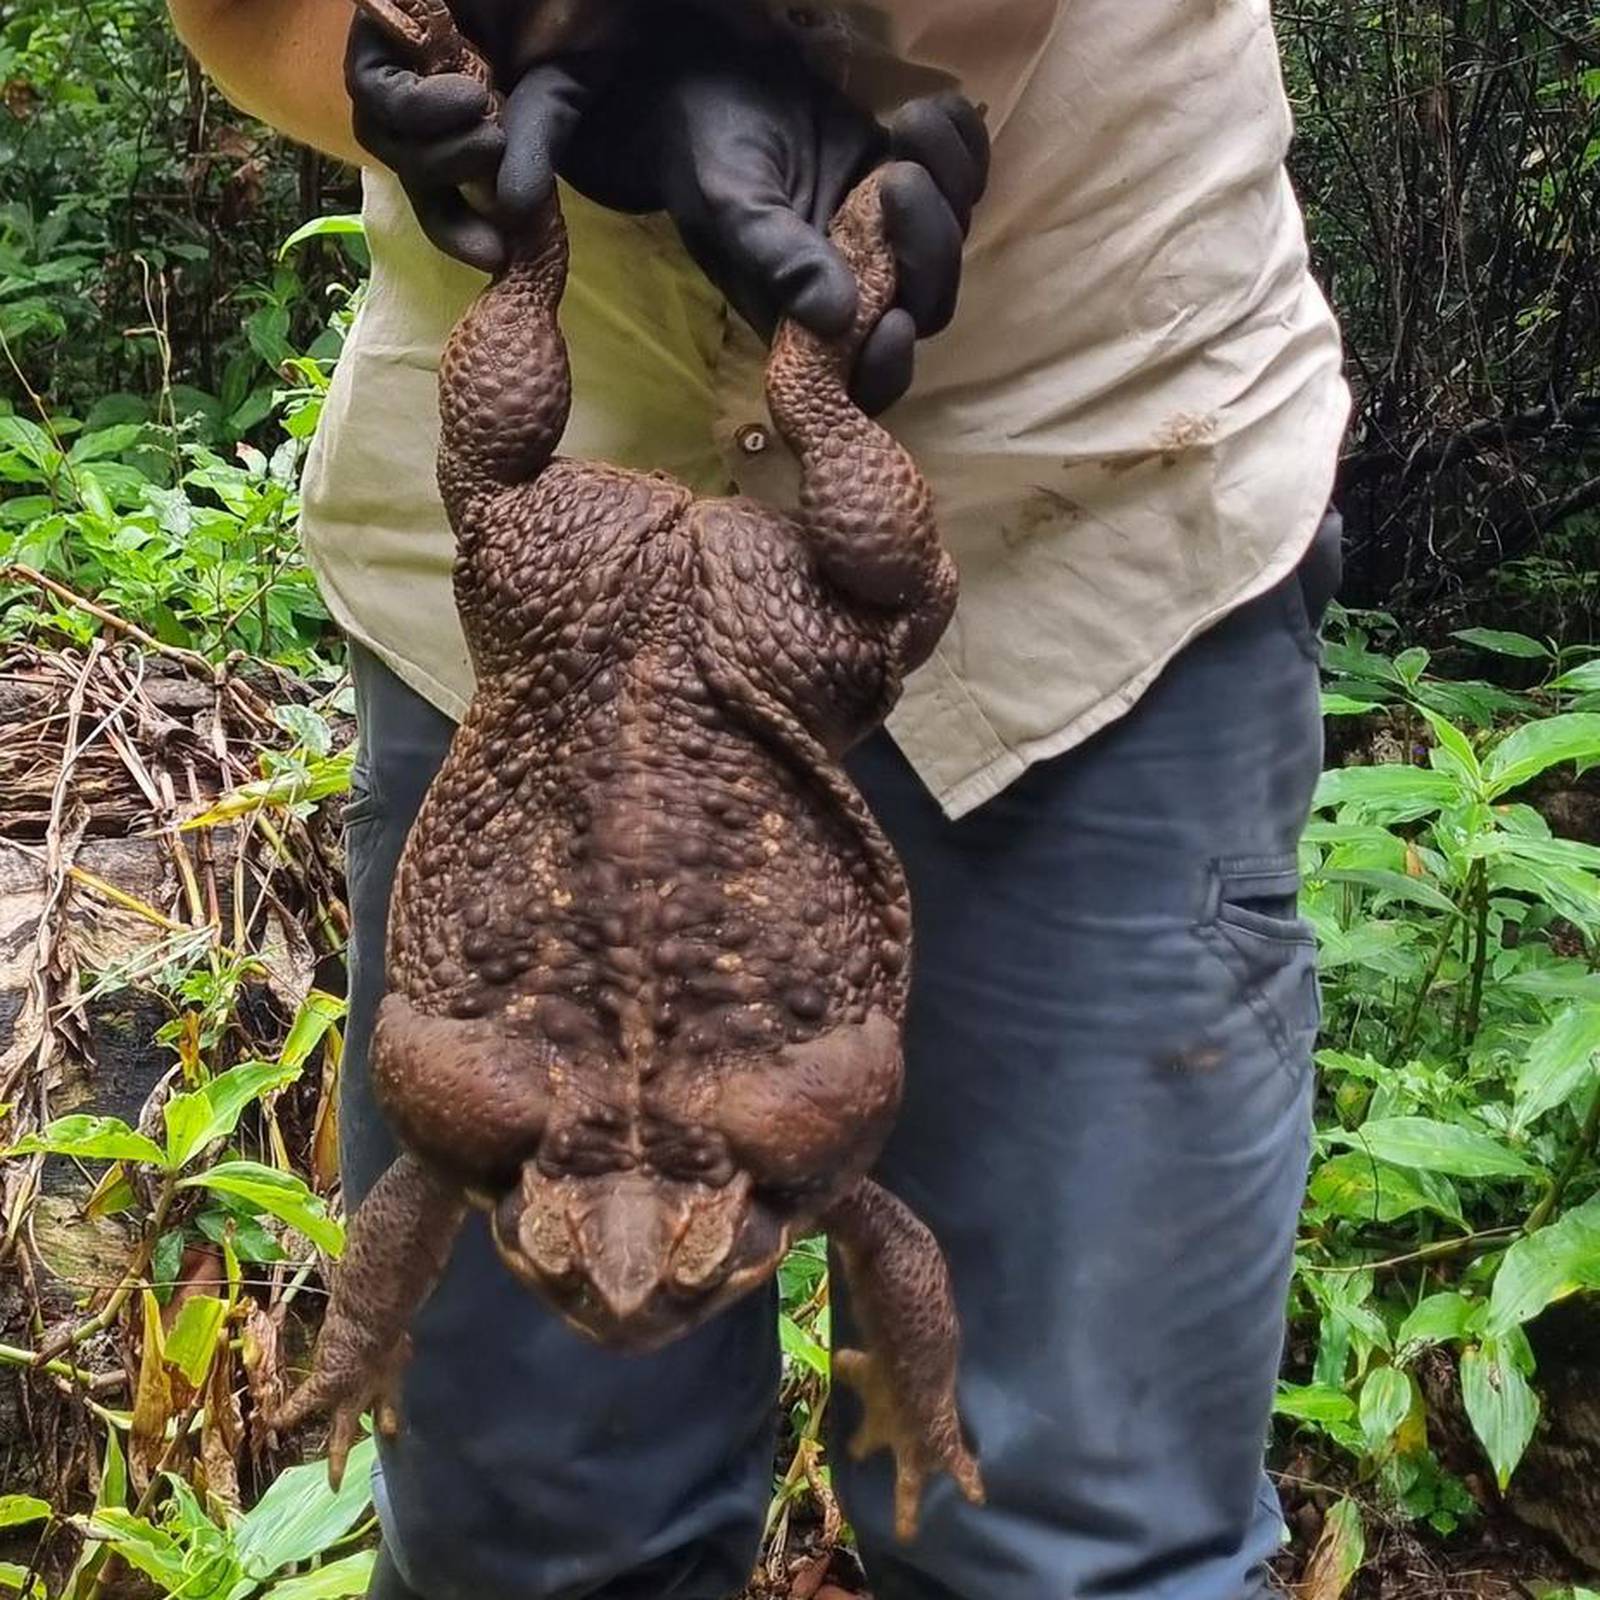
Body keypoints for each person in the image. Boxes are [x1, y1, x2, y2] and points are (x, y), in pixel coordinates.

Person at [166, 0, 1351, 1595]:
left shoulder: (688, 1141)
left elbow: (838, 1181)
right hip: (564, 593)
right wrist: (480, 80)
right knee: (524, 1543)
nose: (638, 1287)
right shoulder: (663, 1145)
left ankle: (781, 362)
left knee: (1080, 1541)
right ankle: (761, 352)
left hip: (1075, 478)